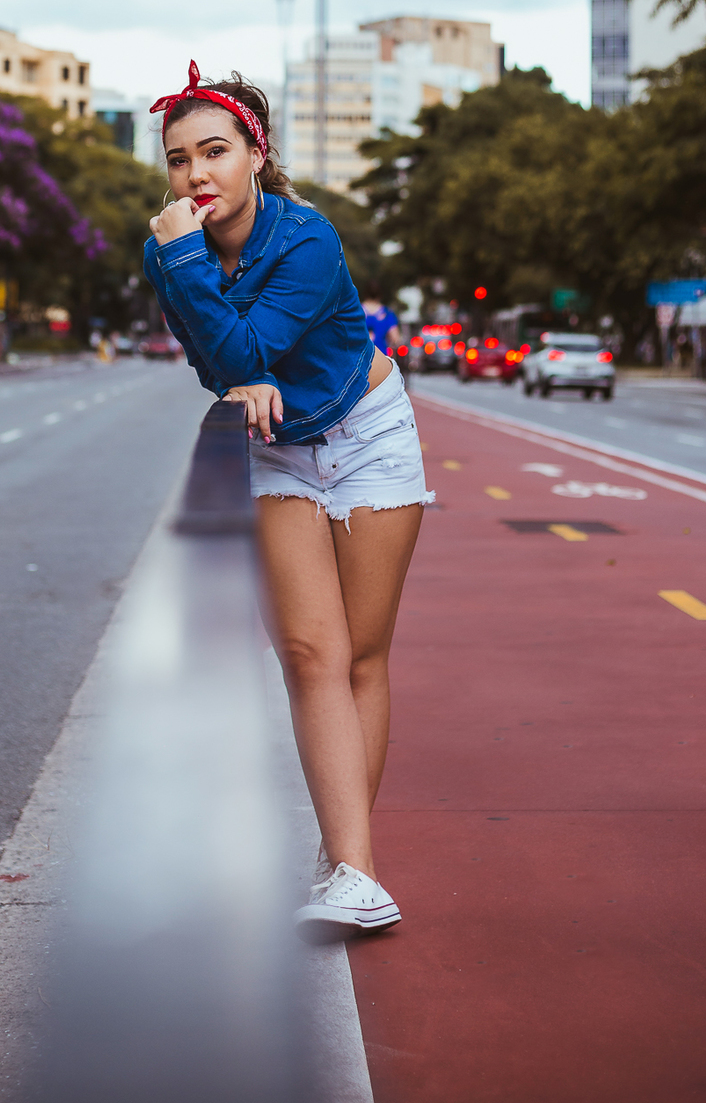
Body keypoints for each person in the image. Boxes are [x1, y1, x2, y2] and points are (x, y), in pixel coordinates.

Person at [143, 62, 433, 940]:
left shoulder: (306, 239)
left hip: (368, 432)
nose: (197, 175)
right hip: (277, 454)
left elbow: (246, 348)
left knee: (361, 659)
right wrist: (233, 354)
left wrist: (236, 350)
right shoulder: (170, 248)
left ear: (256, 155)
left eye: (216, 152)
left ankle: (347, 862)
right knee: (311, 655)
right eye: (179, 159)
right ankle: (357, 871)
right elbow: (213, 362)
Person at [360, 289, 401, 356]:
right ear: (380, 296)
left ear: (365, 295)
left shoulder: (356, 312)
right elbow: (395, 338)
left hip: (359, 358)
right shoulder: (387, 313)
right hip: (381, 356)